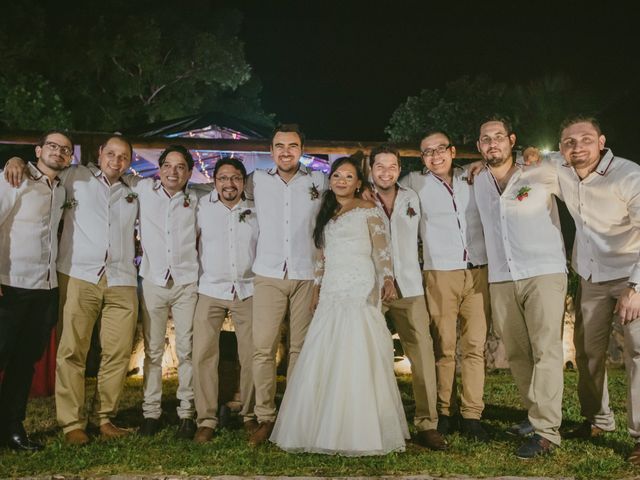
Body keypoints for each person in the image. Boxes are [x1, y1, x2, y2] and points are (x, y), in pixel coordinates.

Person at [3, 135, 139, 445]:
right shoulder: (74, 176)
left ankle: (106, 417)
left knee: (117, 353)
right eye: (111, 153)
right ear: (100, 153)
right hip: (78, 275)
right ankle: (72, 423)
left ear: (129, 161)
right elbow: (41, 167)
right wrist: (16, 161)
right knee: (71, 351)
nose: (116, 160)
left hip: (122, 279)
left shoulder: (137, 187)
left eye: (124, 156)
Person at [270, 154, 409, 455]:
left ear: (359, 183)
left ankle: (360, 428)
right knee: (325, 349)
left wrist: (387, 280)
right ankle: (319, 425)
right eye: (336, 176)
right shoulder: (326, 212)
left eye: (348, 177)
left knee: (357, 349)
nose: (341, 181)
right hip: (332, 286)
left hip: (359, 283)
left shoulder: (369, 210)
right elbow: (321, 255)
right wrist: (318, 287)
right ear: (330, 181)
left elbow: (382, 251)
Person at [528, 116, 640, 464]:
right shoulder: (559, 166)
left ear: (602, 141)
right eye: (568, 142)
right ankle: (599, 420)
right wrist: (528, 153)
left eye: (585, 139)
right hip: (591, 275)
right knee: (588, 353)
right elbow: (527, 158)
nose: (577, 147)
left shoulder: (629, 176)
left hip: (631, 274)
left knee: (637, 355)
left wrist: (636, 287)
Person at [473, 117, 567, 458]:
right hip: (501, 277)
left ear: (512, 140)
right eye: (486, 139)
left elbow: (572, 162)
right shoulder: (478, 180)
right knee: (516, 352)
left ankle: (547, 432)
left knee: (546, 350)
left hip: (543, 271)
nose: (493, 143)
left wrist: (540, 152)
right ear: (479, 146)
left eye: (499, 136)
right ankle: (535, 414)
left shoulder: (541, 168)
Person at [400, 132, 490, 442]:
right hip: (440, 272)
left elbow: (506, 163)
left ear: (452, 151)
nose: (435, 156)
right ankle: (444, 412)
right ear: (421, 158)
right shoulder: (414, 182)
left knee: (476, 347)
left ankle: (472, 415)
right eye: (427, 152)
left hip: (478, 271)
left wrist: (482, 160)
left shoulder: (474, 176)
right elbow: (380, 181)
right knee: (444, 347)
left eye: (440, 149)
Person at [245, 124, 328, 446]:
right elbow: (218, 189)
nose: (285, 152)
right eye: (279, 146)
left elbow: (353, 186)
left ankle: (293, 415)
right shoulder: (258, 181)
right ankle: (265, 416)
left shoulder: (318, 181)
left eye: (292, 146)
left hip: (306, 273)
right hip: (267, 274)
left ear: (302, 149)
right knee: (263, 348)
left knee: (299, 349)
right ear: (270, 151)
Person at [368, 144, 447, 450]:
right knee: (370, 356)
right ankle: (374, 420)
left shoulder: (412, 196)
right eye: (379, 167)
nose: (385, 172)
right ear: (370, 169)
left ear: (399, 169)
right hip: (371, 288)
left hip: (410, 287)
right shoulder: (360, 200)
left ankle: (428, 424)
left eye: (391, 167)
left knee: (423, 356)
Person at [0, 131, 72, 450]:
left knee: (24, 361)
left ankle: (12, 428)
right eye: (52, 146)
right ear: (39, 150)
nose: (59, 152)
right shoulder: (15, 177)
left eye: (65, 149)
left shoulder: (63, 185)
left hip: (45, 288)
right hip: (11, 284)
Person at [131, 145, 199, 439]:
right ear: (159, 170)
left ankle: (187, 413)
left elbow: (234, 184)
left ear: (189, 172)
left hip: (187, 281)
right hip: (153, 280)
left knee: (187, 350)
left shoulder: (199, 198)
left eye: (181, 166)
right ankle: (151, 413)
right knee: (153, 351)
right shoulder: (143, 190)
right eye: (168, 166)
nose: (174, 172)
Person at [192, 157, 258, 443]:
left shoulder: (256, 209)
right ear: (214, 181)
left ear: (243, 181)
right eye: (222, 178)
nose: (229, 183)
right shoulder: (200, 206)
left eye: (235, 178)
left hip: (249, 289)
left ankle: (250, 415)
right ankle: (205, 419)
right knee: (203, 354)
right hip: (210, 288)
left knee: (253, 355)